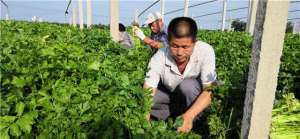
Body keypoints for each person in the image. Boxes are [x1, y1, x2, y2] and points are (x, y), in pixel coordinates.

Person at [143, 17, 217, 133]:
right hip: (170, 98)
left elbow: (210, 90)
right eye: (175, 46)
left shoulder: (205, 51)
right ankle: (173, 121)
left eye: (185, 47)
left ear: (195, 41)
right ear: (168, 41)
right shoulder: (159, 57)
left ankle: (195, 124)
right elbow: (148, 91)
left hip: (192, 98)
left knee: (188, 86)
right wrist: (144, 123)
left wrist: (189, 115)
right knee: (153, 98)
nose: (179, 53)